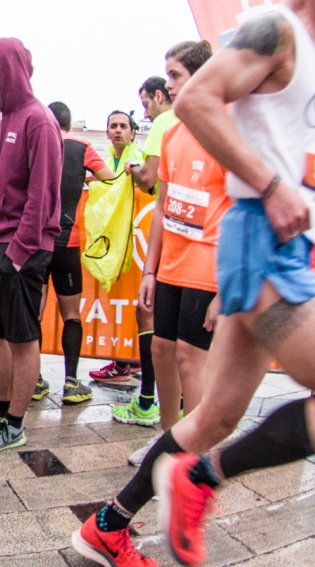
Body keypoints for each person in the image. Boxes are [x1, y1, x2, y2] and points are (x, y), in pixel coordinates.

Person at [71, 0, 315, 565]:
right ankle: (200, 481)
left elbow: (308, 169)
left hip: (270, 247)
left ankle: (108, 524)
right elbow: (198, 99)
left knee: (213, 416)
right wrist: (270, 184)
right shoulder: (276, 29)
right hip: (263, 247)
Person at [129, 41, 231, 468]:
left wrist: (227, 288)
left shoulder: (227, 130)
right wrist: (149, 271)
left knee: (192, 360)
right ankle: (166, 446)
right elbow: (162, 212)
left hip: (208, 268)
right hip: (168, 266)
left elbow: (244, 213)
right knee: (161, 352)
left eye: (175, 76)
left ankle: (197, 452)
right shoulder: (170, 133)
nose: (168, 86)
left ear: (201, 77)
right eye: (167, 76)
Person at [0, 37, 62, 454]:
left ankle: (14, 425)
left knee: (22, 339)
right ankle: (0, 410)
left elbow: (43, 194)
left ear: (5, 68)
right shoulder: (3, 119)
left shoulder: (38, 120)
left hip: (20, 250)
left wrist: (17, 254)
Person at [32, 101, 117, 404]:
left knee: (35, 312)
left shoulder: (38, 144)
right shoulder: (83, 147)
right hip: (68, 241)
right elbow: (110, 177)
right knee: (71, 315)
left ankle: (35, 382)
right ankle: (71, 383)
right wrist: (85, 178)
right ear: (69, 122)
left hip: (36, 243)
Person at [110, 78, 177, 430]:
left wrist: (132, 169)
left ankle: (150, 401)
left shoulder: (166, 121)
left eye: (146, 105)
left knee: (147, 313)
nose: (146, 113)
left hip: (171, 228)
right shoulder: (189, 118)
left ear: (158, 96)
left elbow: (150, 177)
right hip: (190, 229)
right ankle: (175, 404)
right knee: (175, 322)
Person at [89, 111, 144, 384]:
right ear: (107, 132)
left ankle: (130, 360)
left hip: (135, 240)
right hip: (113, 241)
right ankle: (124, 360)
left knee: (134, 300)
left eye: (124, 126)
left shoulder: (141, 159)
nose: (119, 130)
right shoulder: (104, 159)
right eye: (113, 126)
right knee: (117, 299)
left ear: (133, 133)